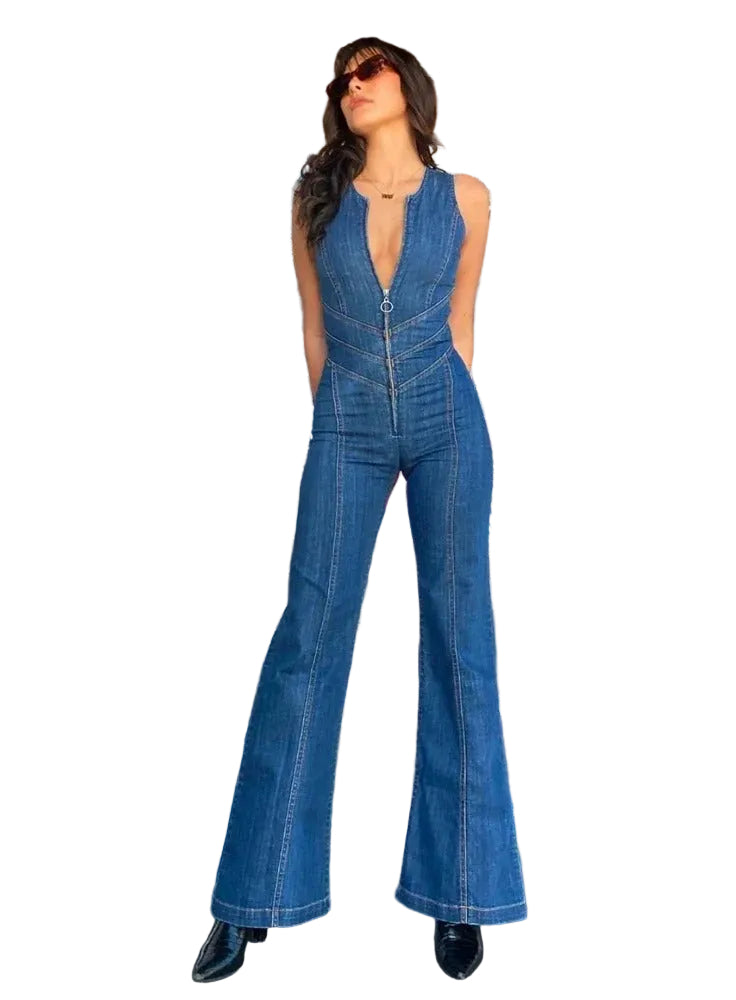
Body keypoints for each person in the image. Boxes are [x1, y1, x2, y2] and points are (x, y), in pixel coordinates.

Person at [192, 37, 527, 983]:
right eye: (343, 77)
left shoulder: (469, 199)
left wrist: (437, 406)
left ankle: (461, 892)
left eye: (368, 70)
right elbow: (312, 323)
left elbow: (462, 322)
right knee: (308, 638)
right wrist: (340, 419)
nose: (352, 85)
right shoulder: (316, 199)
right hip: (345, 423)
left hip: (447, 420)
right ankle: (252, 897)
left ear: (408, 87)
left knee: (461, 642)